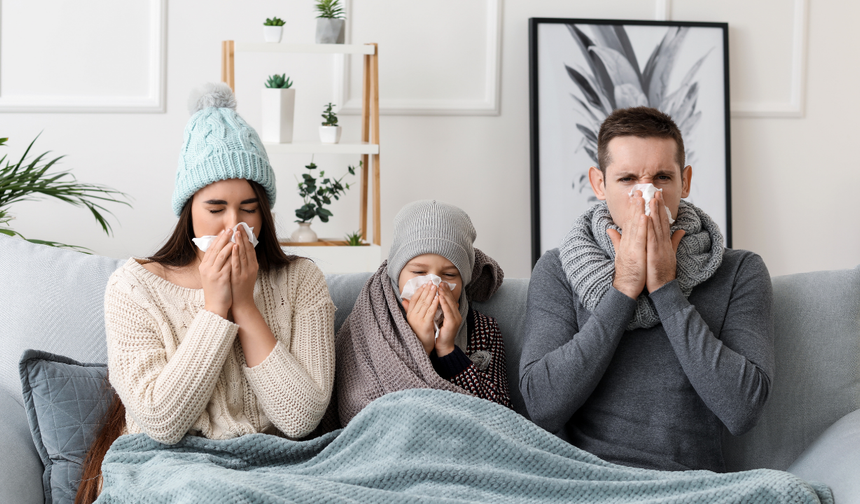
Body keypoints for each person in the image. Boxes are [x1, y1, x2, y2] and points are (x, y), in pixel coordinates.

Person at [75, 83, 335, 503]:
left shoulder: (302, 281)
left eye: (249, 208)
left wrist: (245, 305)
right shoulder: (134, 287)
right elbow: (161, 421)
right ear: (189, 211)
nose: (234, 225)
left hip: (275, 466)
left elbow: (301, 417)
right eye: (216, 209)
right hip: (168, 468)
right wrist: (215, 309)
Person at [519, 106, 774, 473]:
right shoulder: (558, 269)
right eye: (627, 180)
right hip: (583, 483)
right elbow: (541, 406)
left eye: (661, 178)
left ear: (684, 181)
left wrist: (666, 288)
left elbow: (743, 410)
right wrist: (623, 287)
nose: (646, 196)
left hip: (691, 486)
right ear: (599, 183)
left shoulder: (740, 271)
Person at [331, 200, 511, 427]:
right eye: (418, 271)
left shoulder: (484, 330)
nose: (433, 284)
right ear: (396, 272)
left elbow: (501, 416)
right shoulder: (371, 322)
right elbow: (358, 412)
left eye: (449, 275)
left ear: (464, 279)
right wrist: (419, 348)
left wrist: (448, 351)